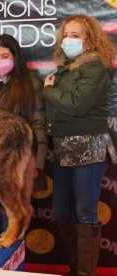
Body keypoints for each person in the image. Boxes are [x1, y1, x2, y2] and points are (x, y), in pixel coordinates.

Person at [42, 14, 116, 276]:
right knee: (61, 212)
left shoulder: (96, 67)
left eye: (76, 35)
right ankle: (75, 269)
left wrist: (48, 90)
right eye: (66, 35)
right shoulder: (65, 69)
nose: (69, 40)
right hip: (63, 147)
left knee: (85, 213)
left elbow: (76, 105)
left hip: (89, 146)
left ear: (90, 40)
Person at [0, 34, 47, 234]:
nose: (0, 61)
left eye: (5, 56)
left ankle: (11, 261)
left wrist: (37, 163)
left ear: (15, 57)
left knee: (11, 214)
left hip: (19, 160)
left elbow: (38, 124)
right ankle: (1, 260)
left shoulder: (30, 83)